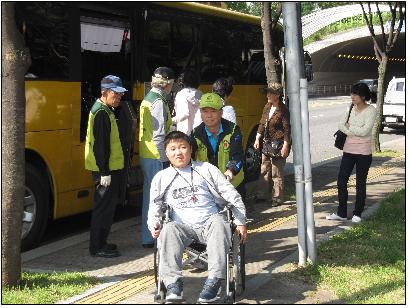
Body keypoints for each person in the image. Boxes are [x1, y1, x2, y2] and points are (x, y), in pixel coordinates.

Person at [147, 131, 247, 303]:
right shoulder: (161, 178)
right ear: (167, 153)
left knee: (219, 222)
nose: (178, 152)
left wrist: (241, 221)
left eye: (183, 147)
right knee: (168, 229)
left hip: (209, 223)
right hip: (181, 228)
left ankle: (214, 282)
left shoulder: (207, 169)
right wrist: (153, 224)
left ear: (190, 149)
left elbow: (232, 195)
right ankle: (173, 285)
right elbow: (154, 205)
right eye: (173, 149)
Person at [85, 75, 127, 258]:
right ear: (104, 92)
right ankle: (97, 247)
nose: (118, 98)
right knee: (103, 209)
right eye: (115, 94)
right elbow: (100, 145)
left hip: (110, 167)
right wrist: (104, 172)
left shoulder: (105, 109)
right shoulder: (101, 112)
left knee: (107, 208)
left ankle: (102, 242)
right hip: (106, 170)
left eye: (120, 95)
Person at [326, 82, 376, 223]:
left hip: (364, 153)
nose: (352, 96)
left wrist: (350, 127)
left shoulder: (371, 110)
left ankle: (357, 213)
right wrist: (354, 129)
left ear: (363, 96)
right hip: (348, 150)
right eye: (352, 93)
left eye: (355, 94)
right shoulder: (350, 108)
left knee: (360, 183)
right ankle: (341, 213)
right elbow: (341, 125)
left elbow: (365, 131)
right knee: (341, 181)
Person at [139, 66, 174, 248]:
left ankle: (147, 237)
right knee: (157, 199)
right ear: (167, 83)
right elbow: (159, 135)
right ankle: (153, 237)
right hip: (155, 155)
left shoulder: (148, 98)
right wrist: (166, 158)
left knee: (149, 197)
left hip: (146, 154)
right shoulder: (158, 102)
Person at [191, 92, 246, 204]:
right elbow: (188, 155)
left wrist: (230, 170)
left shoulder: (233, 130)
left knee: (237, 218)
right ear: (200, 113)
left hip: (232, 184)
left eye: (213, 111)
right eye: (205, 111)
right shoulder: (196, 133)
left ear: (221, 113)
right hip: (207, 186)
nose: (209, 115)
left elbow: (238, 155)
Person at [253, 82, 291, 207]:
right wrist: (257, 138)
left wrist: (286, 145)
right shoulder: (267, 106)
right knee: (264, 169)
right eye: (268, 92)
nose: (268, 95)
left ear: (278, 95)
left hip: (279, 144)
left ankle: (277, 197)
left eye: (271, 93)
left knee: (276, 172)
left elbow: (287, 129)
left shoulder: (283, 109)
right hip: (267, 144)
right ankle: (261, 195)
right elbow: (262, 123)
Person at [172, 69, 203, 135]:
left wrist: (170, 121)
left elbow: (184, 114)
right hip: (199, 132)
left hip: (185, 133)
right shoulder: (200, 94)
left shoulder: (181, 94)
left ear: (181, 81)